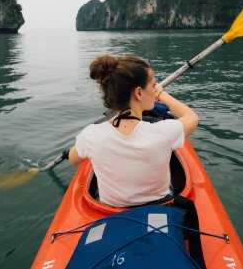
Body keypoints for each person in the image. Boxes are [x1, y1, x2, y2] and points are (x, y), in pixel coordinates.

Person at [67, 54, 199, 207]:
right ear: (139, 93)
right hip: (159, 207)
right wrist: (162, 94)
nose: (155, 88)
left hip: (111, 211)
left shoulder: (91, 135)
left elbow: (73, 159)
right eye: (153, 84)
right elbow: (192, 117)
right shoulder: (164, 132)